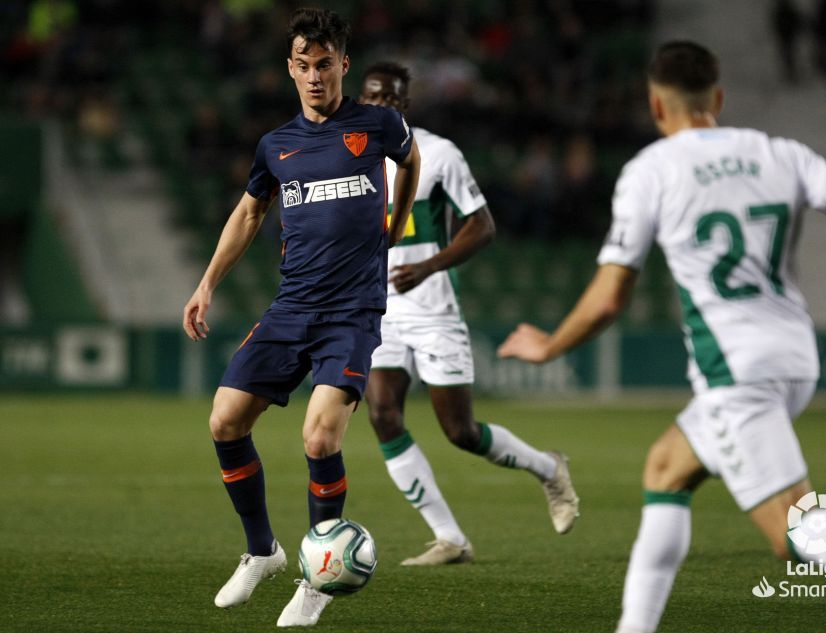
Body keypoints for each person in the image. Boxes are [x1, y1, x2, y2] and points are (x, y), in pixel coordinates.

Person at [498, 41, 826, 633]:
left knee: (802, 538)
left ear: (656, 107)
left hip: (735, 369)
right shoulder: (780, 152)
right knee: (666, 467)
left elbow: (610, 296)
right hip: (795, 358)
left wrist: (550, 345)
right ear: (717, 97)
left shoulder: (652, 170)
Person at [182, 8, 420, 628]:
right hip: (292, 306)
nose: (314, 77)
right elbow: (248, 214)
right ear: (290, 69)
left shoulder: (377, 125)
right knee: (225, 420)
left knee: (319, 436)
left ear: (343, 64)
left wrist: (395, 220)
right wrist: (207, 283)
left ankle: (319, 575)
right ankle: (262, 551)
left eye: (324, 65)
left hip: (352, 312)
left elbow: (411, 159)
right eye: (303, 66)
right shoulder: (276, 145)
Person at [357, 61, 580, 565]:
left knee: (459, 432)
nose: (379, 107)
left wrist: (431, 266)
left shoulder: (438, 154)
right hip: (378, 311)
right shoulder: (349, 157)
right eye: (371, 99)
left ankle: (548, 468)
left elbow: (482, 226)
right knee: (381, 414)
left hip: (433, 310)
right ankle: (450, 538)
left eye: (389, 99)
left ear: (404, 106)